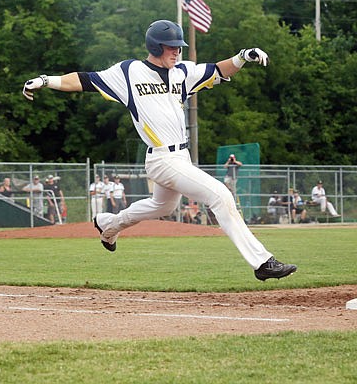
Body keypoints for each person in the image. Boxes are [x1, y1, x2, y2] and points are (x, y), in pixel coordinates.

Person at [23, 19, 297, 281]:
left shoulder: (183, 72)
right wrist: (47, 81)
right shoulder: (128, 72)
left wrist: (242, 57)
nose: (177, 51)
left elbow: (217, 70)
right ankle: (262, 262)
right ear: (155, 47)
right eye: (171, 46)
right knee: (221, 196)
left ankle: (108, 225)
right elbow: (84, 80)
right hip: (163, 158)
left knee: (162, 205)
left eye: (179, 46)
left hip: (181, 156)